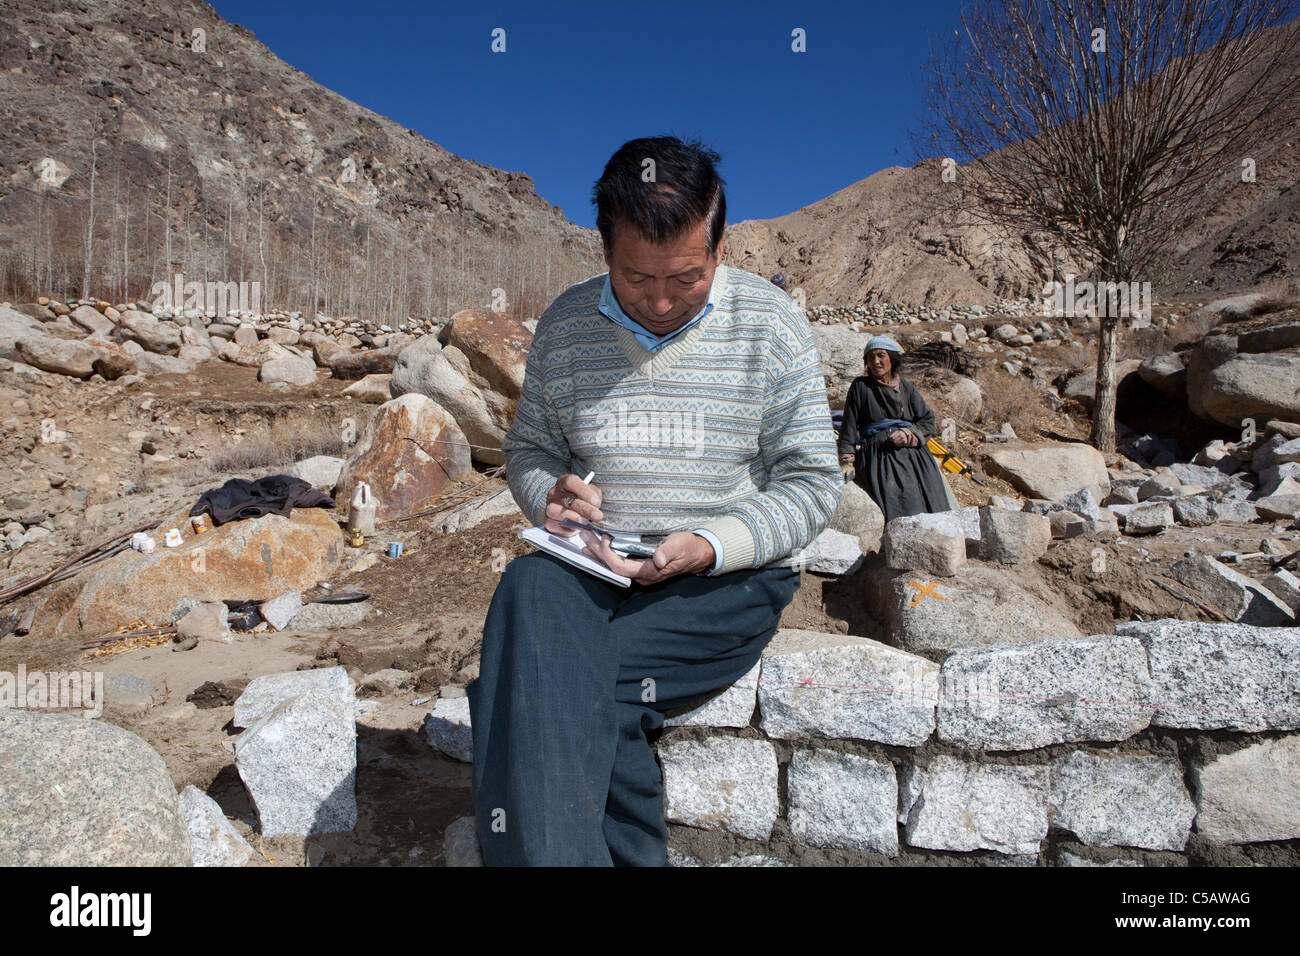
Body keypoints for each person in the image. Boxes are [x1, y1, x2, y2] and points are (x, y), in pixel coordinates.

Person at [467, 136, 843, 866]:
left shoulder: (770, 324)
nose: (662, 301)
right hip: (593, 565)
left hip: (724, 581)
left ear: (721, 247)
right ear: (604, 250)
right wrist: (549, 495)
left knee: (546, 684)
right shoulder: (566, 324)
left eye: (687, 278)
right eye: (637, 278)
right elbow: (531, 449)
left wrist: (711, 545)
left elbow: (811, 482)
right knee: (527, 589)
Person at [837, 335, 954, 521]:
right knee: (903, 504)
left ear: (892, 358)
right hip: (880, 455)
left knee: (933, 500)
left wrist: (908, 434)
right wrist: (846, 459)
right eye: (870, 357)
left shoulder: (907, 388)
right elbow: (849, 424)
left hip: (916, 456)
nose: (876, 361)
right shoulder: (861, 387)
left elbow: (927, 420)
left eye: (881, 355)